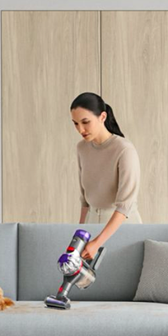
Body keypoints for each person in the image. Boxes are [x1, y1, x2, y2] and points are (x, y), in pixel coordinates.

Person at [70, 92, 141, 260]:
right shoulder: (82, 148)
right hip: (92, 224)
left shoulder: (124, 149)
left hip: (122, 227)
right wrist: (79, 237)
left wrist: (98, 242)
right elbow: (85, 200)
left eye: (85, 122)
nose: (80, 129)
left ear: (102, 117)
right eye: (76, 123)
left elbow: (124, 206)